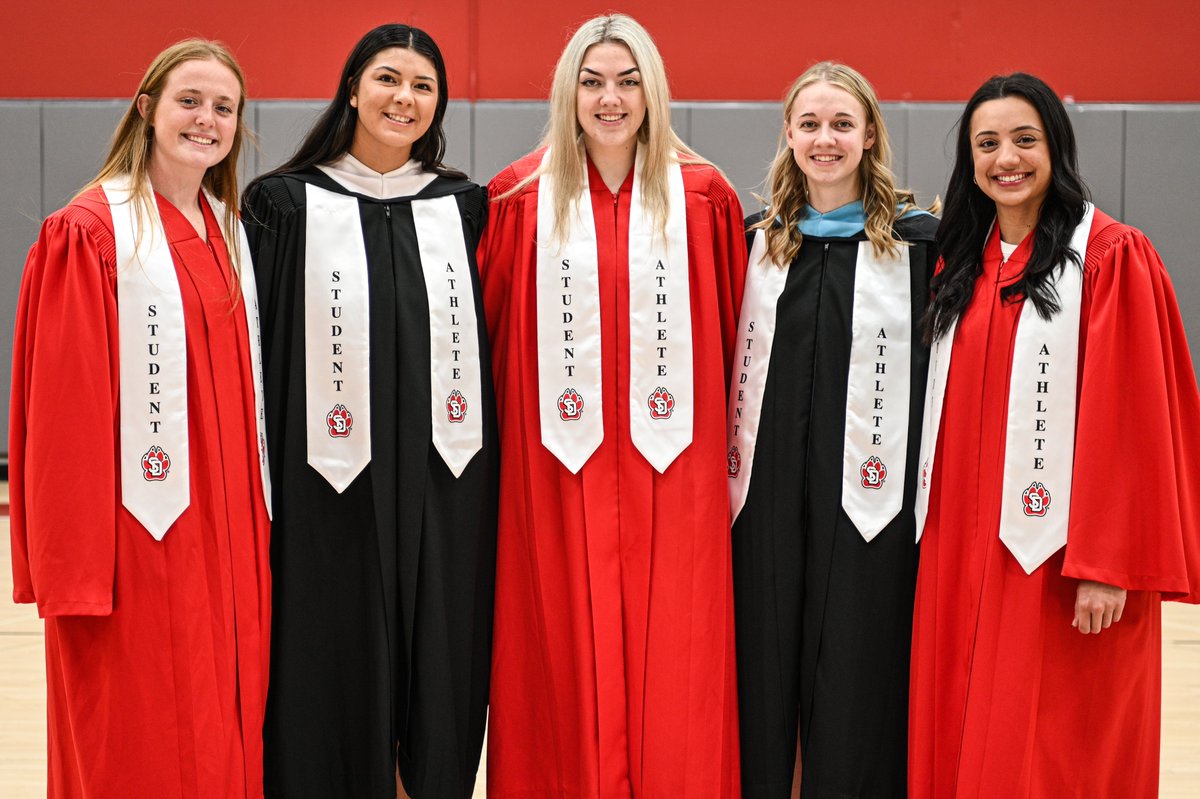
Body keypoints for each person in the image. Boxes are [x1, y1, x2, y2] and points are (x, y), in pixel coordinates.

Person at [910, 72, 1200, 798]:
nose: (1006, 158)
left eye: (1024, 139)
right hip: (959, 552)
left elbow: (1136, 422)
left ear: (1056, 147)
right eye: (987, 143)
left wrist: (1108, 563)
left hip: (1058, 561)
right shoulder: (961, 265)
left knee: (1056, 744)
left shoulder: (1110, 256)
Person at [478, 13, 745, 798]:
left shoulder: (704, 198)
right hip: (556, 474)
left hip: (680, 479)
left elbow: (736, 336)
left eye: (628, 81)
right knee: (557, 656)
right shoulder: (519, 198)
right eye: (592, 81)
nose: (610, 98)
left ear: (653, 91)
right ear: (569, 91)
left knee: (680, 666)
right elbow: (491, 341)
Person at [8, 39, 272, 798]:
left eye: (225, 108)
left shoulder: (228, 229)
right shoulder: (90, 232)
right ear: (147, 109)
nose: (207, 120)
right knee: (140, 739)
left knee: (225, 730)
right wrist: (76, 576)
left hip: (231, 545)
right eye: (190, 101)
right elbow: (64, 423)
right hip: (139, 545)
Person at [241, 23, 498, 799]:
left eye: (423, 86)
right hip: (323, 483)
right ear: (353, 87)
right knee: (327, 651)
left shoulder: (466, 208)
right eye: (388, 79)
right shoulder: (282, 207)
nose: (404, 98)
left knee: (443, 655)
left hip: (447, 479)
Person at [728, 62, 938, 799]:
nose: (825, 139)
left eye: (842, 124)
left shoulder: (922, 249)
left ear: (870, 134)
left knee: (857, 664)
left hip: (871, 501)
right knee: (759, 667)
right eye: (810, 124)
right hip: (761, 498)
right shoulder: (753, 244)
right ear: (787, 134)